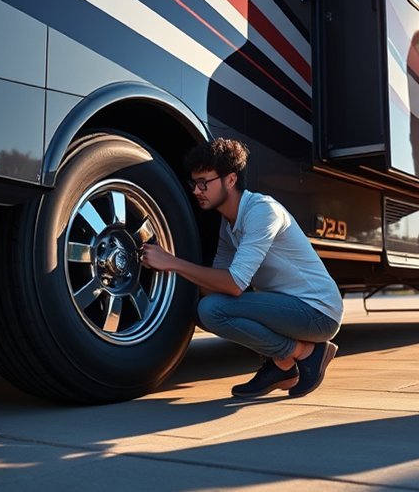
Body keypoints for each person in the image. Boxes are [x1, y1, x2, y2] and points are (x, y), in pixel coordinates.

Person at [140, 138, 343, 398]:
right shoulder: (229, 226)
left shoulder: (262, 211)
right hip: (288, 306)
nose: (196, 191)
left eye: (204, 183)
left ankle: (304, 353)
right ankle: (284, 365)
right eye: (194, 183)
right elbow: (214, 287)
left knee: (211, 310)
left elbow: (234, 285)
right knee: (204, 310)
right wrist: (172, 268)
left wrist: (172, 262)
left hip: (317, 312)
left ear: (231, 180)